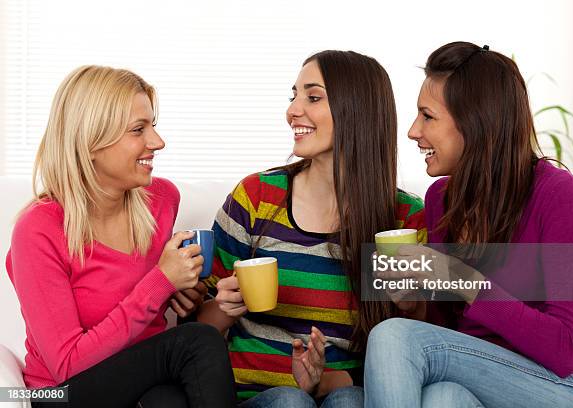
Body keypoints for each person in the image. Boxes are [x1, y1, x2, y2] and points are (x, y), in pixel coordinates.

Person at [363, 42, 573, 407]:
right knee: (443, 398)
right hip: (480, 379)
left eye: (427, 116)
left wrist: (460, 278)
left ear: (474, 123)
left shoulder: (564, 197)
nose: (413, 131)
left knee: (392, 337)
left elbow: (566, 350)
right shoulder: (440, 198)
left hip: (564, 389)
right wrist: (417, 307)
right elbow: (452, 335)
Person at [193, 50, 427, 407]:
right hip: (256, 397)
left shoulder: (403, 218)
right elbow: (198, 334)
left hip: (345, 392)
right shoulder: (256, 198)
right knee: (290, 402)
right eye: (294, 96)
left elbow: (414, 346)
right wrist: (227, 306)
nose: (292, 111)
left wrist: (324, 381)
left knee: (349, 401)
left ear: (356, 111)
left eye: (313, 97)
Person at [6, 65, 236, 408]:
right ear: (91, 142)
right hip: (59, 395)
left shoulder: (161, 200)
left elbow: (149, 332)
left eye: (153, 126)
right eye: (138, 130)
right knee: (197, 343)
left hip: (141, 383)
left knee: (170, 400)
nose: (157, 142)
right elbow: (68, 366)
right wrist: (160, 281)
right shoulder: (38, 229)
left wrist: (185, 294)